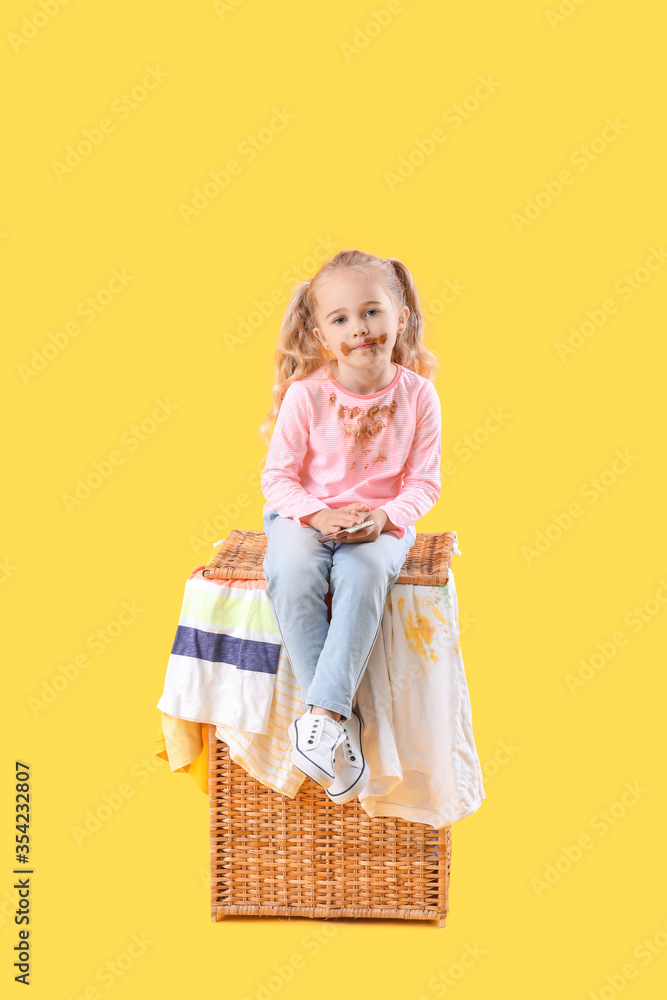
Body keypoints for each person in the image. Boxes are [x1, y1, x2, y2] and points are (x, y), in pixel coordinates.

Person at [258, 248, 441, 803]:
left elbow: (423, 484)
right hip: (306, 514)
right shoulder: (305, 395)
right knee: (290, 571)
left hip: (379, 525)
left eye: (371, 312)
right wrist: (318, 514)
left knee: (362, 578)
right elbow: (278, 479)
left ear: (400, 315)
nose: (359, 330)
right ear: (320, 334)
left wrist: (384, 517)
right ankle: (338, 723)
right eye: (340, 319)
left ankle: (321, 716)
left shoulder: (418, 396)